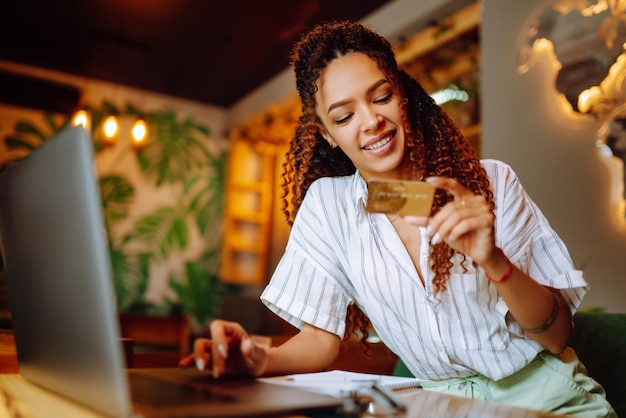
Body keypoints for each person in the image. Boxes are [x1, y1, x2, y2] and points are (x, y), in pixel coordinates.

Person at [180, 21, 616, 417]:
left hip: (546, 404)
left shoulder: (491, 182)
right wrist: (261, 359)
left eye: (381, 96)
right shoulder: (329, 208)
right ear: (328, 134)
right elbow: (320, 340)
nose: (371, 122)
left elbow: (558, 336)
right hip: (439, 408)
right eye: (345, 116)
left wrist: (494, 260)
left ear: (402, 94)